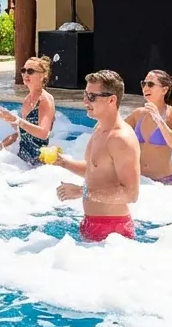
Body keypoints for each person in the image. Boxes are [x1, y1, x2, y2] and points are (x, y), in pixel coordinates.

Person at [55, 70, 142, 241]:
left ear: (111, 100)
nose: (85, 101)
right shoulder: (99, 127)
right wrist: (64, 162)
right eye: (85, 94)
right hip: (91, 223)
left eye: (92, 97)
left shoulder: (121, 139)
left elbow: (131, 194)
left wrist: (82, 192)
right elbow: (95, 170)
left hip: (113, 231)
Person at [123, 70, 172, 185]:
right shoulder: (138, 114)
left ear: (164, 90)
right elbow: (113, 131)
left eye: (150, 84)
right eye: (144, 84)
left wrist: (159, 120)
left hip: (163, 183)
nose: (145, 88)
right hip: (139, 180)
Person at [0, 56, 56, 165]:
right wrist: (2, 144)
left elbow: (43, 133)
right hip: (23, 159)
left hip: (37, 163)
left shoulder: (44, 100)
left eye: (30, 71)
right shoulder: (27, 99)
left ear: (42, 75)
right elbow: (23, 133)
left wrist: (17, 120)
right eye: (23, 70)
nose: (25, 74)